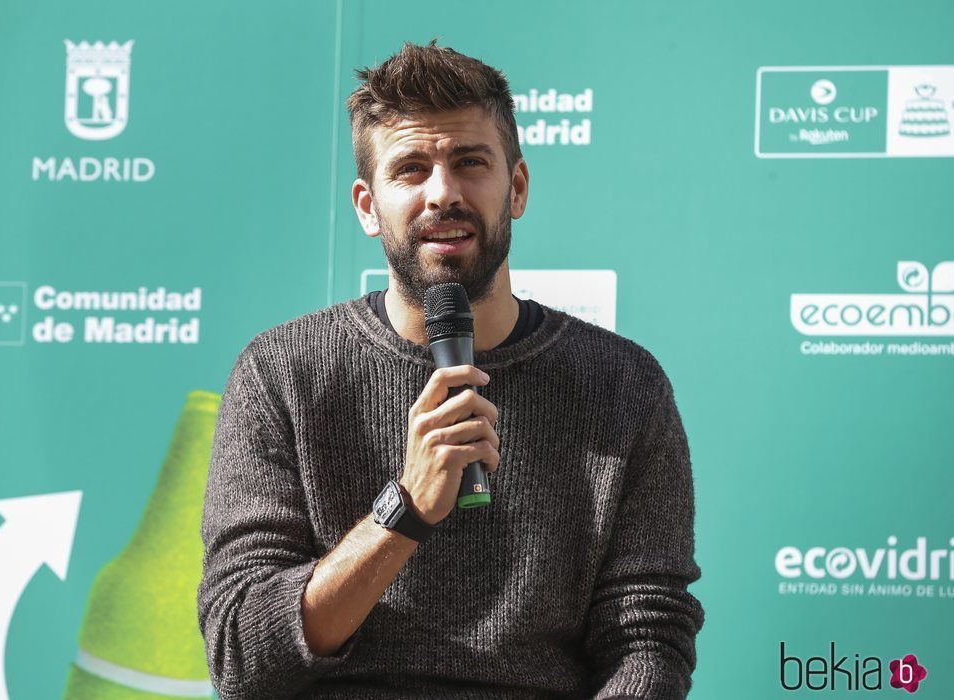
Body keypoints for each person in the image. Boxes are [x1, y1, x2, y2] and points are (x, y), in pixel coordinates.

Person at [197, 40, 704, 700]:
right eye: (410, 169)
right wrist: (402, 509)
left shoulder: (622, 385)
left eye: (470, 163)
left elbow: (646, 640)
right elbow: (243, 657)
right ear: (366, 206)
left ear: (516, 188)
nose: (443, 193)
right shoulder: (282, 374)